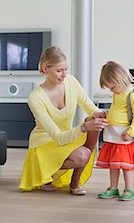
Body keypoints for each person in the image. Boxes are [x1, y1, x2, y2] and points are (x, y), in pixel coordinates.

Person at [19, 46, 108, 195]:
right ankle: (45, 172)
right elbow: (58, 137)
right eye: (59, 70)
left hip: (66, 137)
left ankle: (75, 182)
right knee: (82, 155)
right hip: (46, 143)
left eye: (66, 69)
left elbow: (90, 107)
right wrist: (84, 127)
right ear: (45, 68)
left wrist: (102, 114)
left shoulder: (71, 82)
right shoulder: (35, 98)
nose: (64, 74)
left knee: (94, 121)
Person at [96, 61, 134, 201]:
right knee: (113, 164)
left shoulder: (132, 95)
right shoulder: (117, 94)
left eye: (112, 87)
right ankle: (113, 187)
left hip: (123, 135)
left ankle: (129, 189)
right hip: (113, 134)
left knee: (125, 164)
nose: (111, 91)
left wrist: (131, 132)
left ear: (120, 80)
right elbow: (116, 110)